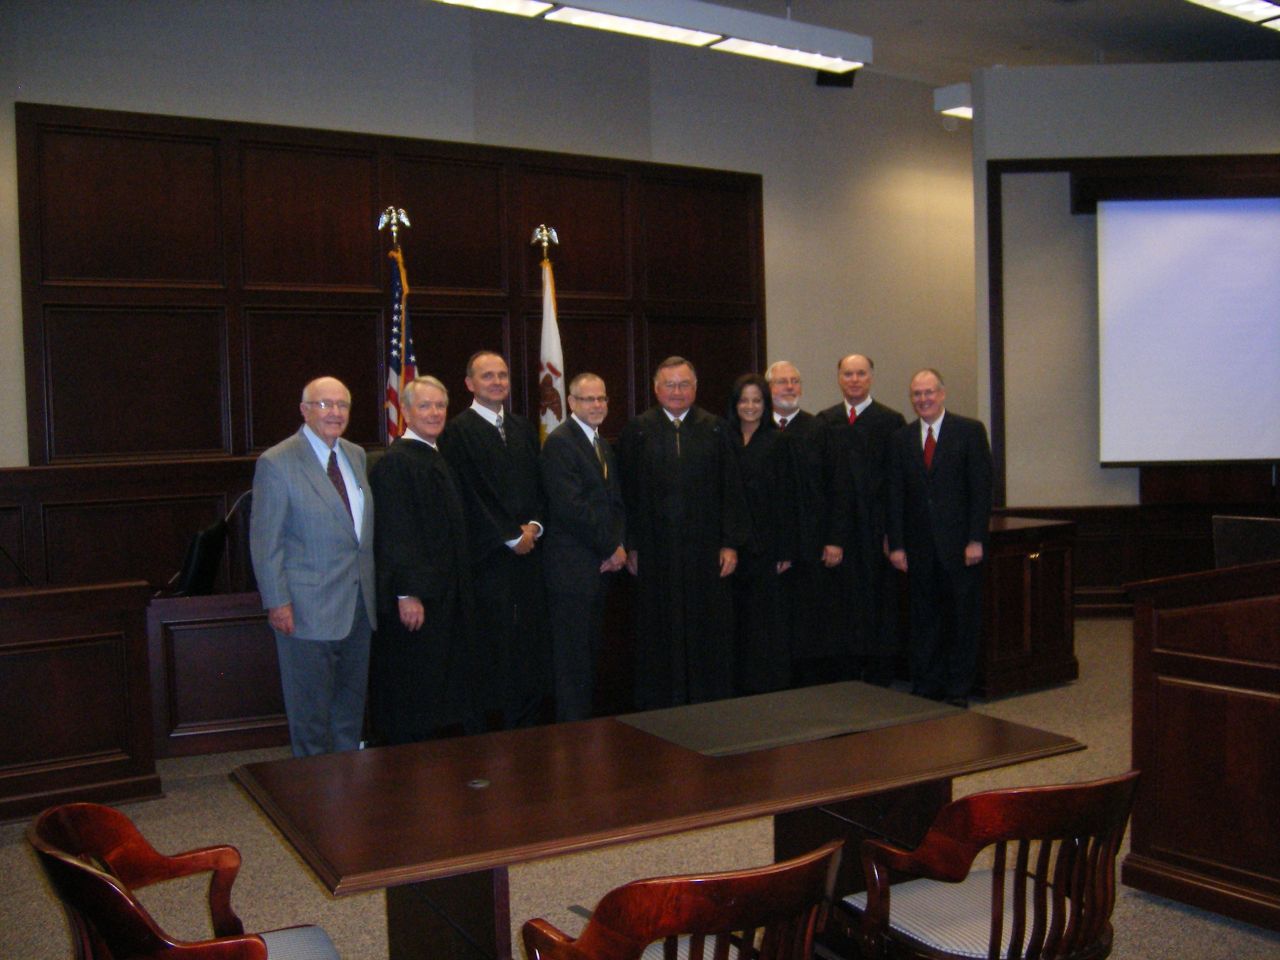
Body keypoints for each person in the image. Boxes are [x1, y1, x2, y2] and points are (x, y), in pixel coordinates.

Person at [249, 376, 376, 756]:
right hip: (305, 609)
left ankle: (347, 792)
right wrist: (277, 601)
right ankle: (312, 803)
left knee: (349, 714)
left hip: (357, 606)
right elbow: (265, 541)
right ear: (304, 411)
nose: (334, 412)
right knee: (311, 719)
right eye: (324, 404)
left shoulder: (355, 455)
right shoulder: (277, 462)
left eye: (342, 405)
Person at [618, 356, 749, 709]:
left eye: (684, 385)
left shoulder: (717, 429)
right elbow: (624, 495)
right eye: (670, 385)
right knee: (658, 631)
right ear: (656, 388)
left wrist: (730, 544)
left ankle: (709, 703)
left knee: (708, 628)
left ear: (695, 388)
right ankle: (662, 704)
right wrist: (630, 545)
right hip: (655, 552)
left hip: (705, 552)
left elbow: (731, 491)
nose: (677, 392)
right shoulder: (638, 430)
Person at [439, 350, 549, 729]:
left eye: (502, 375)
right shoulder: (457, 432)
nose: (497, 382)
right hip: (487, 560)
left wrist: (533, 526)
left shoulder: (521, 428)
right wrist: (506, 537)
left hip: (529, 555)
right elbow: (467, 496)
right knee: (492, 646)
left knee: (527, 645)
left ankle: (526, 722)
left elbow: (539, 486)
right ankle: (495, 728)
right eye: (488, 376)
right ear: (469, 384)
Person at [368, 376, 475, 744]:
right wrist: (406, 592)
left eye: (440, 406)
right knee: (415, 688)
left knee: (438, 687)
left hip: (443, 595)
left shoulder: (435, 456)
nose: (434, 413)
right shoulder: (398, 463)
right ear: (406, 412)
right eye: (425, 406)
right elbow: (396, 533)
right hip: (418, 601)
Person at [888, 368, 992, 706]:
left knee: (961, 621)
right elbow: (895, 496)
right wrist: (897, 544)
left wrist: (976, 538)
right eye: (917, 394)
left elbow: (981, 490)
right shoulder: (901, 439)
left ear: (942, 394)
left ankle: (957, 688)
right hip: (918, 549)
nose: (923, 399)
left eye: (929, 392)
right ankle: (926, 686)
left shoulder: (970, 431)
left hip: (960, 548)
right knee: (924, 621)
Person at [540, 373, 626, 721]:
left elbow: (615, 502)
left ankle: (585, 726)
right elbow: (570, 507)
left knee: (590, 651)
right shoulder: (562, 442)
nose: (597, 405)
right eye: (588, 399)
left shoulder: (600, 443)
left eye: (601, 399)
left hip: (598, 563)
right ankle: (572, 731)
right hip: (572, 568)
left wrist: (617, 545)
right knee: (572, 657)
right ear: (571, 403)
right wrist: (610, 546)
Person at [818, 353, 907, 685]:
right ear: (838, 378)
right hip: (839, 533)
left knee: (879, 602)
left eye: (861, 373)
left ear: (871, 377)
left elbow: (897, 483)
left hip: (876, 530)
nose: (854, 379)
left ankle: (879, 675)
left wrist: (892, 534)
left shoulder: (890, 421)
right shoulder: (826, 422)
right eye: (848, 374)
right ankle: (845, 674)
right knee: (841, 603)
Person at [765, 360, 846, 688]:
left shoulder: (819, 429)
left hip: (813, 545)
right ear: (768, 388)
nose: (789, 387)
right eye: (781, 382)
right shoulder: (756, 430)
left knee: (812, 621)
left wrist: (835, 539)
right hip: (770, 547)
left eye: (795, 382)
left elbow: (836, 487)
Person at [726, 373, 794, 694]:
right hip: (730, 546)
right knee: (734, 620)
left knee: (765, 621)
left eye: (757, 400)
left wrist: (784, 549)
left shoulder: (778, 440)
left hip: (766, 547)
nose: (750, 407)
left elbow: (787, 498)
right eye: (744, 400)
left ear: (765, 405)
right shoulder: (723, 438)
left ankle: (766, 689)